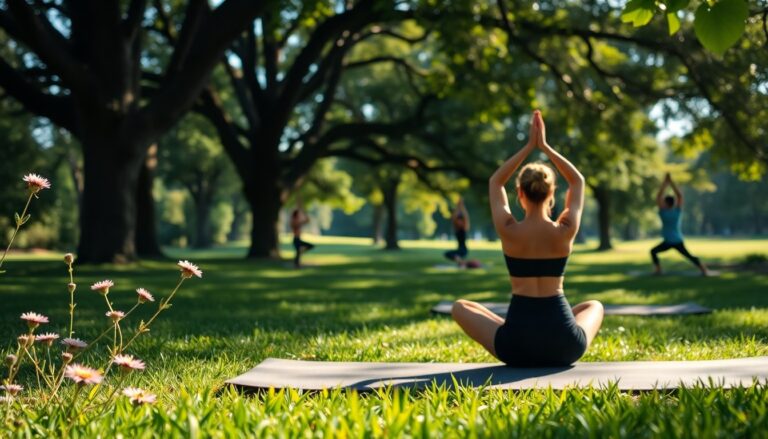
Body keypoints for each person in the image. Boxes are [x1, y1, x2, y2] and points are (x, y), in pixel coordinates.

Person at [451, 110, 604, 367]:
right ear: (552, 192)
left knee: (460, 306)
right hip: (564, 345)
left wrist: (528, 147)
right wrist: (545, 147)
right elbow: (577, 181)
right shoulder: (565, 229)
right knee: (594, 305)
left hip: (516, 345)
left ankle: (518, 327)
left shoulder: (509, 229)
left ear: (520, 192)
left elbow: (495, 182)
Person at [651, 173, 708, 276]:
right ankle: (703, 270)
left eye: (664, 202)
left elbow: (659, 196)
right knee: (688, 256)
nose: (662, 203)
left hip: (672, 241)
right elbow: (679, 196)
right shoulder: (677, 212)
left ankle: (658, 270)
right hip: (675, 240)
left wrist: (666, 182)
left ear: (667, 203)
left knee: (654, 252)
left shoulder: (664, 212)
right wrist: (671, 183)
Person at [444, 198, 470, 267]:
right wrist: (457, 206)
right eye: (458, 220)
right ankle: (462, 263)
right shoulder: (456, 228)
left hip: (463, 250)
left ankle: (463, 263)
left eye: (460, 220)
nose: (459, 222)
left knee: (452, 255)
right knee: (448, 254)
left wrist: (462, 206)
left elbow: (466, 217)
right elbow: (454, 218)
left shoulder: (464, 228)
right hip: (459, 249)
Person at [291, 202, 314, 268]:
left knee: (298, 252)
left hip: (298, 239)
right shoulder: (294, 221)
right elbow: (304, 221)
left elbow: (307, 220)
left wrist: (304, 212)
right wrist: (303, 213)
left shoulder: (296, 221)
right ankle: (296, 265)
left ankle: (297, 264)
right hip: (296, 239)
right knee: (298, 253)